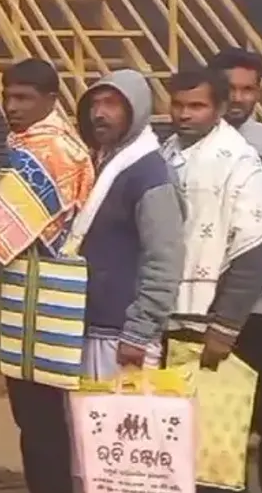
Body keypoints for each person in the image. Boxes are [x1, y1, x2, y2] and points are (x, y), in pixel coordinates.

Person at [0, 60, 94, 493]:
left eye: (24, 98)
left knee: (43, 419)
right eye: (8, 96)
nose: (12, 107)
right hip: (24, 296)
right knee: (33, 417)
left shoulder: (56, 150)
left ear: (50, 100)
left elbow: (10, 229)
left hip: (44, 296)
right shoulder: (22, 142)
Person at [160, 68, 262, 493]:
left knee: (217, 454)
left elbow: (253, 247)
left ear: (221, 108)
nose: (185, 115)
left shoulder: (237, 159)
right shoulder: (167, 151)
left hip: (209, 328)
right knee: (175, 450)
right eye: (179, 105)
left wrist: (225, 327)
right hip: (168, 321)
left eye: (197, 106)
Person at [62, 69, 183, 378]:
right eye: (94, 105)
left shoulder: (149, 173)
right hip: (89, 325)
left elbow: (164, 258)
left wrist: (139, 332)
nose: (99, 114)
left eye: (112, 105)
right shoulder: (99, 163)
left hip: (123, 335)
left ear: (136, 110)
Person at [208, 49, 262, 493]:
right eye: (231, 88)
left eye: (249, 89)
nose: (239, 98)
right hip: (208, 308)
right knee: (219, 419)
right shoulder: (188, 142)